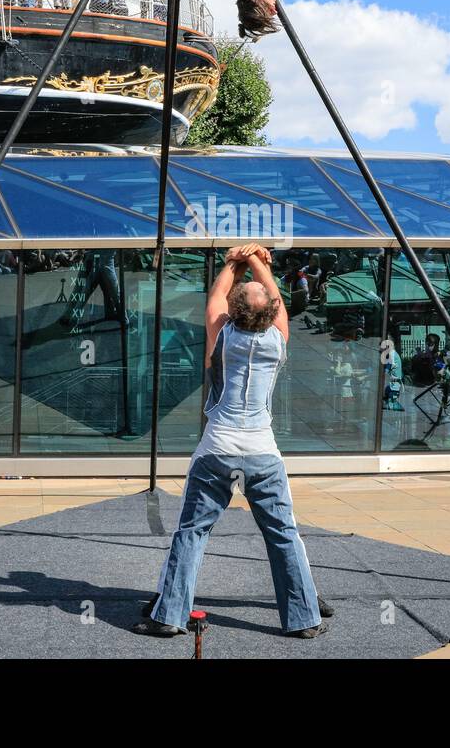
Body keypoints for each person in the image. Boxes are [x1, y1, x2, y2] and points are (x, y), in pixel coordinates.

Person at [135, 243, 328, 640]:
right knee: (283, 534)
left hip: (217, 451)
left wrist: (234, 261)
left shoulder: (221, 335)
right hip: (263, 453)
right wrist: (258, 260)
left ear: (234, 313)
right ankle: (304, 619)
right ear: (272, 314)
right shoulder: (279, 338)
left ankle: (170, 616)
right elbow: (272, 297)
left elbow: (217, 297)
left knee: (192, 532)